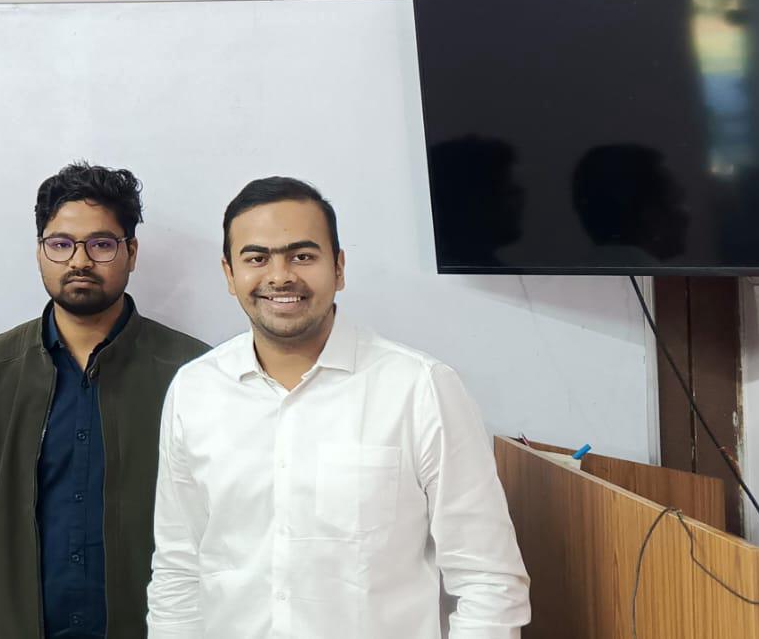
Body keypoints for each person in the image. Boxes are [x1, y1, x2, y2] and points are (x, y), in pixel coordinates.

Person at [147, 176, 530, 638]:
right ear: (230, 274)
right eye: (257, 258)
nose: (280, 276)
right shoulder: (195, 390)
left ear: (339, 268)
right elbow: (178, 568)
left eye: (302, 256)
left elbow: (488, 579)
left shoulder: (419, 389)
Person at [0, 162, 207, 639]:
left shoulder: (192, 373)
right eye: (61, 243)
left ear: (131, 252)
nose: (80, 261)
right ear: (40, 251)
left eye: (101, 244)